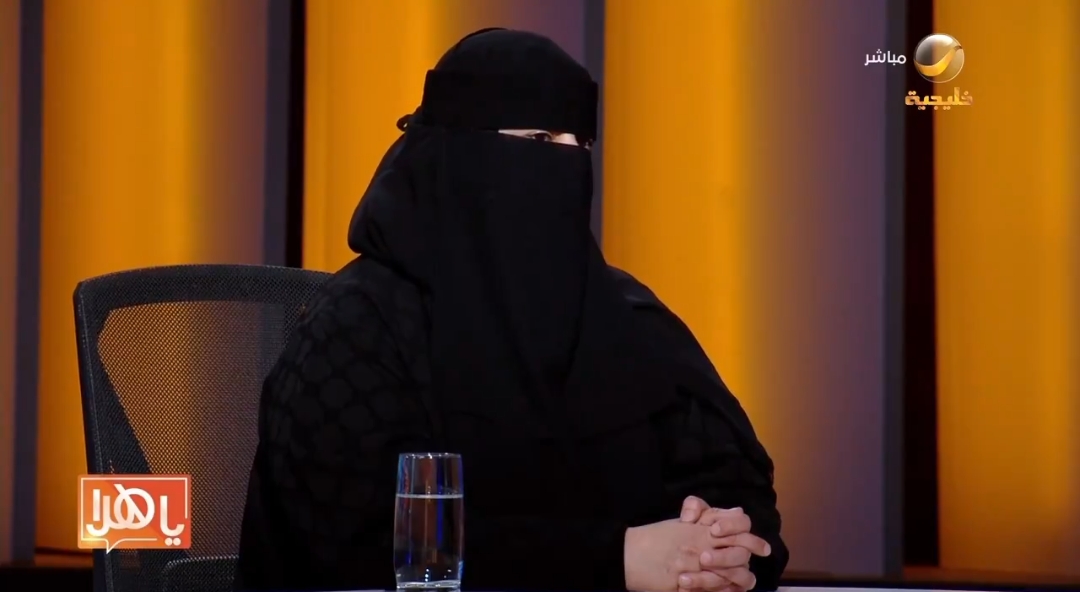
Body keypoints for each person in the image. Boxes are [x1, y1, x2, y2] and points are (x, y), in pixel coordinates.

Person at [236, 28, 787, 592]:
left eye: (581, 145)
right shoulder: (358, 325)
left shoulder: (628, 318)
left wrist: (720, 542)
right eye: (541, 139)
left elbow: (738, 490)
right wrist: (614, 560)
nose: (566, 163)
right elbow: (355, 544)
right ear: (459, 152)